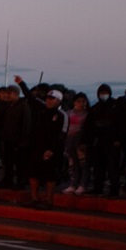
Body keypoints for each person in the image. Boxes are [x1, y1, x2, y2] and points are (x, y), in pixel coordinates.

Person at [18, 78, 66, 209]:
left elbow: (61, 135)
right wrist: (21, 83)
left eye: (52, 99)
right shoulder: (42, 109)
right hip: (36, 147)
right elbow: (31, 98)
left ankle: (49, 201)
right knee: (33, 173)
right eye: (48, 98)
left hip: (51, 150)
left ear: (58, 101)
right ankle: (35, 198)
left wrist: (51, 150)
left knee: (50, 175)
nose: (49, 101)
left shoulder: (61, 115)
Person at [63, 93, 90, 195]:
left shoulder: (87, 114)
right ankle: (73, 183)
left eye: (83, 101)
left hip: (80, 140)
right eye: (79, 101)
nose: (81, 103)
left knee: (83, 163)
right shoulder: (68, 113)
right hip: (69, 139)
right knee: (72, 162)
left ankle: (83, 184)